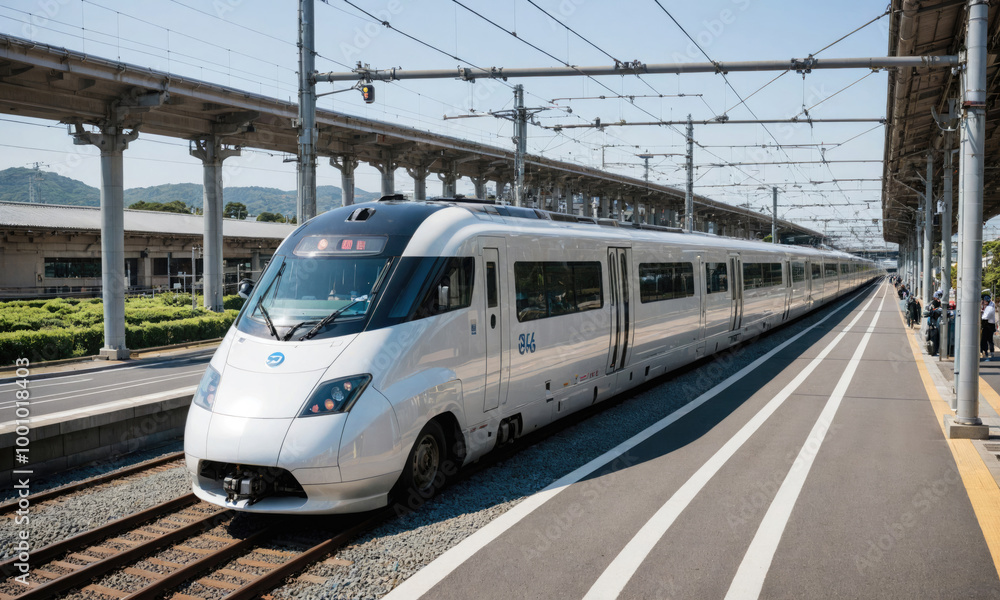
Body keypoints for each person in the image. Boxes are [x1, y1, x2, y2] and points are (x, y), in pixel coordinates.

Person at [982, 293, 996, 359]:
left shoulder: (990, 307)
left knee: (986, 339)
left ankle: (986, 352)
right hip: (990, 324)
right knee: (989, 339)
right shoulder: (991, 305)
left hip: (988, 324)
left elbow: (985, 316)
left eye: (984, 301)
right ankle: (990, 352)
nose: (983, 302)